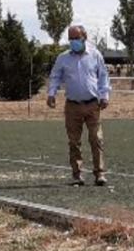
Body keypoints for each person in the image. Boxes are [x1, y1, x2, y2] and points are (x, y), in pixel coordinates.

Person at [46, 25, 112, 186]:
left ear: (84, 38)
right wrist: (51, 93)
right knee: (74, 141)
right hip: (72, 106)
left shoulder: (95, 55)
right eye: (70, 38)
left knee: (96, 138)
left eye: (76, 38)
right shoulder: (63, 58)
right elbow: (55, 76)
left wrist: (104, 96)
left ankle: (100, 173)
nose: (73, 41)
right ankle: (77, 174)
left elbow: (103, 76)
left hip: (92, 104)